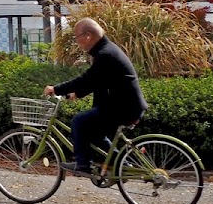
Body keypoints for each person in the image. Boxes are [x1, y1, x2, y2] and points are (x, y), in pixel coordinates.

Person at [43, 18, 148, 176]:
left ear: (87, 36)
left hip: (124, 108)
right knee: (95, 133)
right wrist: (76, 93)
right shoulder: (106, 50)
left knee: (79, 121)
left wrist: (56, 89)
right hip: (126, 106)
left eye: (77, 38)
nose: (77, 42)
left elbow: (86, 79)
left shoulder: (105, 54)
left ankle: (83, 164)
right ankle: (123, 165)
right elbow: (98, 81)